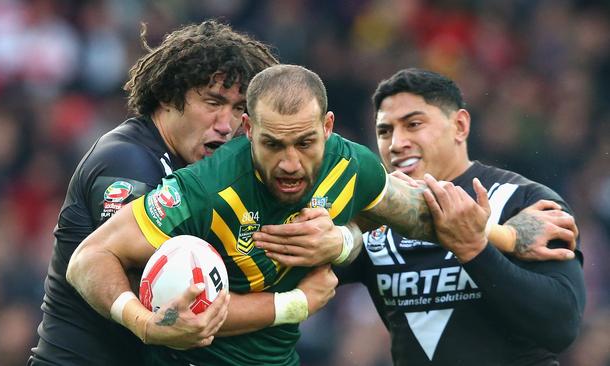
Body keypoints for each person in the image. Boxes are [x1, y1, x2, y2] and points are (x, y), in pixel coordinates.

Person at [66, 64, 557, 365]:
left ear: (328, 127)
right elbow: (89, 259)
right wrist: (146, 324)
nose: (289, 163)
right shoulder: (202, 189)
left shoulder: (352, 165)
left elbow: (421, 214)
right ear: (246, 129)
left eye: (304, 143)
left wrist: (507, 235)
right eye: (272, 144)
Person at [28, 20, 280, 365]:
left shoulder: (202, 174)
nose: (226, 124)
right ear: (168, 95)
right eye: (213, 102)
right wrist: (293, 303)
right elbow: (162, 292)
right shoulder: (127, 161)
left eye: (238, 109)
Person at [335, 68, 586, 365]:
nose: (396, 143)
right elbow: (294, 272)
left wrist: (475, 251)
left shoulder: (523, 202)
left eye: (413, 124)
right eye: (384, 131)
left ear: (460, 126)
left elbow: (561, 327)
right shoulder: (376, 218)